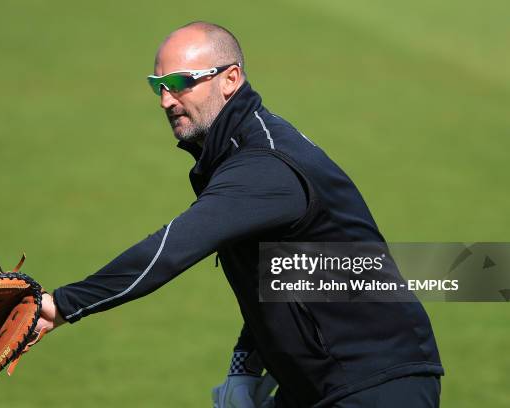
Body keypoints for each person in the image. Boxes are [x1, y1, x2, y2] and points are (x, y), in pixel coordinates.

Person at [35, 21, 444, 407]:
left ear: (230, 79)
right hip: (321, 382)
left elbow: (174, 247)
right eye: (157, 85)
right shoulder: (234, 151)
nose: (166, 100)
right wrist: (244, 366)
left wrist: (64, 305)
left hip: (374, 382)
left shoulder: (263, 164)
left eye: (180, 84)